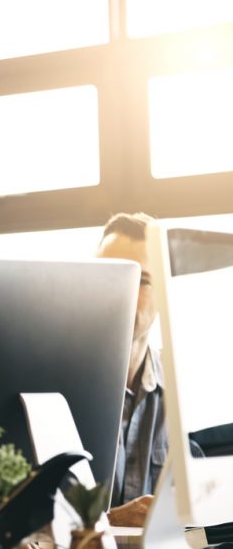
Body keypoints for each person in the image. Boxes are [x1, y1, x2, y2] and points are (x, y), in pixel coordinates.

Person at [95, 212, 167, 527]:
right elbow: (31, 530)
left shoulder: (178, 392)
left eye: (144, 281)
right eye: (111, 274)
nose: (125, 290)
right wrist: (109, 521)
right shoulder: (54, 387)